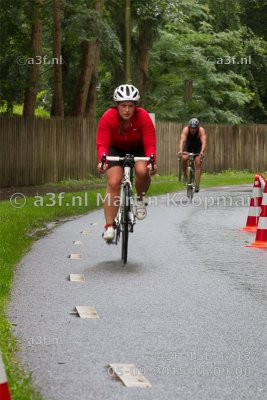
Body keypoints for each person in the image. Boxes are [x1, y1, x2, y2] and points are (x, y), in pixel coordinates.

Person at [96, 84, 157, 241]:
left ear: (136, 106)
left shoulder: (143, 117)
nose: (127, 110)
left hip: (138, 149)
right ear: (117, 105)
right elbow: (102, 143)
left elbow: (150, 144)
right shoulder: (108, 116)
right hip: (115, 149)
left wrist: (152, 161)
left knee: (143, 171)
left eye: (131, 105)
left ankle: (140, 199)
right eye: (123, 105)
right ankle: (109, 227)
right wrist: (102, 160)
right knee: (114, 181)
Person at [177, 118, 207, 192]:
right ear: (189, 127)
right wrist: (180, 150)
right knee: (184, 158)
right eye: (191, 128)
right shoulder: (185, 130)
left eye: (194, 128)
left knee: (198, 162)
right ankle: (185, 175)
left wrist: (202, 152)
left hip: (197, 146)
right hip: (188, 145)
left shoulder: (201, 130)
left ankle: (197, 185)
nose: (193, 130)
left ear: (197, 128)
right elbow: (182, 140)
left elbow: (204, 142)